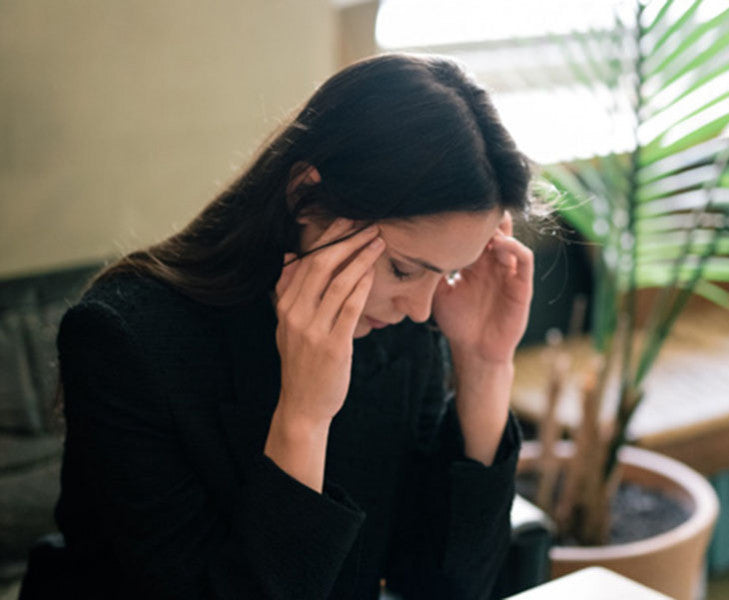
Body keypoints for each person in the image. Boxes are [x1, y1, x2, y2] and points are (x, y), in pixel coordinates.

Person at [20, 53, 535, 599]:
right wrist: (304, 418)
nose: (421, 309)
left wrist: (483, 365)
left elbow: (444, 587)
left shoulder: (396, 329)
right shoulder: (123, 339)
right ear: (305, 197)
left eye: (448, 272)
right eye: (405, 269)